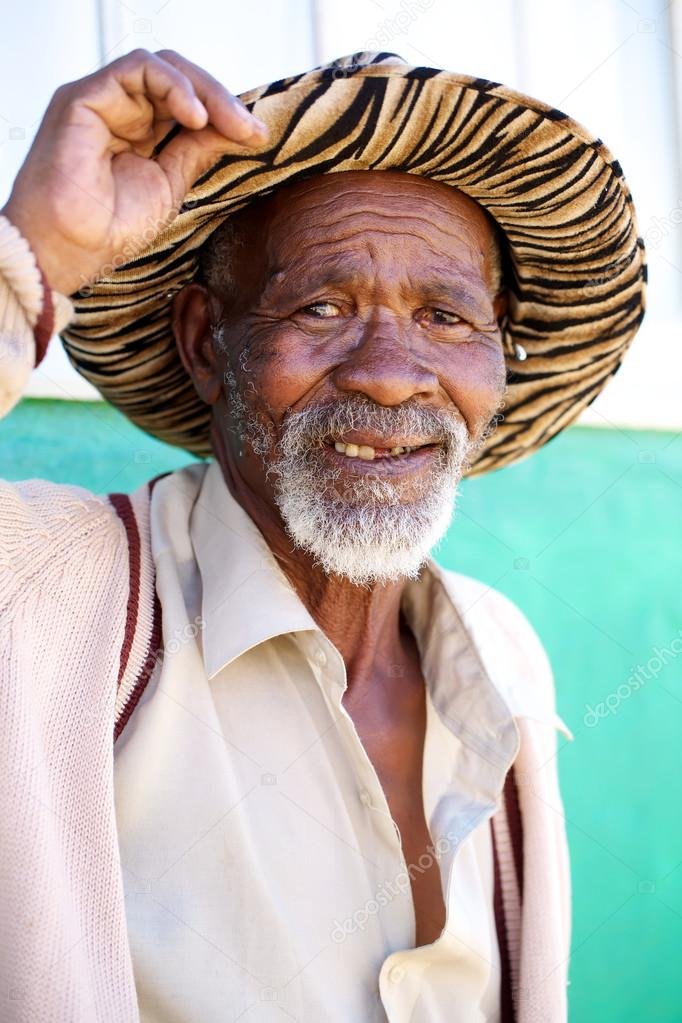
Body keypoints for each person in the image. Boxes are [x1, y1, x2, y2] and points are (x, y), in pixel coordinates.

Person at [0, 48, 645, 1023]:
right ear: (205, 345)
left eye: (445, 316)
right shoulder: (56, 590)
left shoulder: (501, 653)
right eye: (321, 306)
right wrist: (34, 255)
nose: (391, 373)